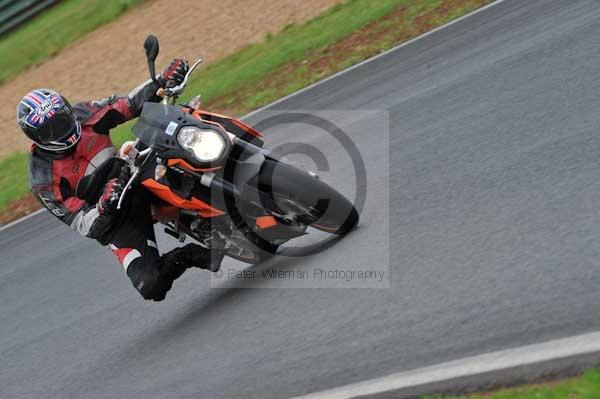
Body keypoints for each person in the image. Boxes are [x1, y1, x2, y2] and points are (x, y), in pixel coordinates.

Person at [17, 59, 223, 302]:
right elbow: (82, 223)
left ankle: (222, 180)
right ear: (38, 137)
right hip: (114, 217)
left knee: (179, 130)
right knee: (150, 285)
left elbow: (128, 104)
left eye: (62, 119)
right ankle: (188, 255)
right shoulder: (42, 179)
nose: (63, 129)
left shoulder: (84, 114)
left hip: (133, 170)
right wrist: (104, 204)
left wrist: (162, 81)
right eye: (52, 130)